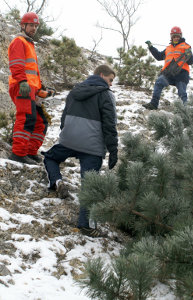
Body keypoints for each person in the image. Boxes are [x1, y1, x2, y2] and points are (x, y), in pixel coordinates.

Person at [42, 64, 118, 238]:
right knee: (89, 185)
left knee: (50, 158)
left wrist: (65, 133)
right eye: (110, 80)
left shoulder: (75, 91)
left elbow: (64, 116)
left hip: (69, 140)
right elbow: (109, 124)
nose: (111, 84)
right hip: (92, 147)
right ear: (101, 75)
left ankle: (57, 182)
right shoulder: (106, 94)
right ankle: (86, 225)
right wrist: (113, 151)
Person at [8, 12, 50, 164]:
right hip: (21, 86)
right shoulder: (19, 41)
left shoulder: (29, 43)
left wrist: (41, 89)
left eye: (36, 26)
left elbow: (31, 71)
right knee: (26, 117)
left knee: (40, 121)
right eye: (31, 25)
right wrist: (22, 82)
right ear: (23, 25)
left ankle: (30, 151)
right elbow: (16, 65)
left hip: (30, 87)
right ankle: (18, 153)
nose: (34, 28)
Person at [143, 26, 193, 110]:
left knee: (182, 91)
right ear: (171, 37)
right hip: (168, 73)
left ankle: (185, 110)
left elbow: (191, 62)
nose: (176, 38)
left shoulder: (186, 47)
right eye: (174, 36)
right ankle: (153, 104)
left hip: (182, 74)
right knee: (159, 82)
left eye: (177, 36)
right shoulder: (168, 48)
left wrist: (189, 54)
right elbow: (159, 56)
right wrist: (151, 47)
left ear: (180, 36)